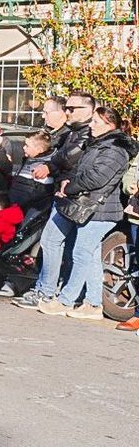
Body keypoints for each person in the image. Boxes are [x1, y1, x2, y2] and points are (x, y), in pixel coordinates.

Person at [20, 104, 135, 319]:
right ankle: (92, 304)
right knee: (89, 255)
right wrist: (68, 182)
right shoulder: (99, 144)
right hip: (91, 208)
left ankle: (66, 300)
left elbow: (96, 178)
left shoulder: (115, 149)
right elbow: (82, 171)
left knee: (82, 254)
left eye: (95, 122)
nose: (91, 126)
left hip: (100, 210)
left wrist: (69, 186)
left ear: (109, 125)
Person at [10, 131, 54, 211]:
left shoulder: (43, 167)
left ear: (39, 149)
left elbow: (34, 195)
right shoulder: (30, 159)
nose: (23, 147)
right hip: (15, 206)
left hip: (23, 210)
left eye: (27, 146)